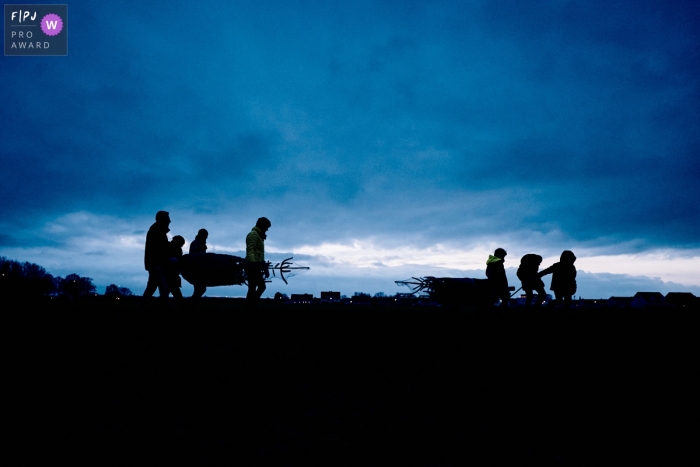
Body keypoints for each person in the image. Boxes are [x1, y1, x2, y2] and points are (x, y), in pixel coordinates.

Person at [143, 211, 171, 299]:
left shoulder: (156, 231)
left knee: (151, 288)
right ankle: (164, 309)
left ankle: (143, 308)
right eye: (167, 219)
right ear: (162, 219)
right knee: (163, 288)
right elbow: (159, 249)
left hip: (155, 265)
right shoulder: (157, 232)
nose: (170, 221)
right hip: (157, 265)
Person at [245, 217, 271, 306]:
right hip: (252, 266)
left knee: (253, 287)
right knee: (260, 286)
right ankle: (251, 305)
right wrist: (254, 264)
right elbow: (250, 250)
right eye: (266, 227)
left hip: (255, 266)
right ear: (262, 226)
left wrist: (263, 265)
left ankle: (251, 305)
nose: (267, 229)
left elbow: (258, 254)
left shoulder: (259, 236)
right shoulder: (253, 235)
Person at [189, 229, 208, 299]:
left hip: (199, 269)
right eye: (205, 236)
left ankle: (193, 303)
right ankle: (192, 303)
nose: (206, 238)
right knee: (200, 288)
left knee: (199, 288)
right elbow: (195, 257)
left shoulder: (199, 243)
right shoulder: (196, 243)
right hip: (197, 269)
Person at [166, 235, 185, 299]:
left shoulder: (169, 246)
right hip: (171, 273)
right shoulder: (175, 249)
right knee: (175, 291)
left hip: (172, 273)